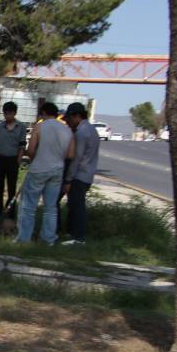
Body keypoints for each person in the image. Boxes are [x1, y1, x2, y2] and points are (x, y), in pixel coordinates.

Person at [16, 102, 75, 245]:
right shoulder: (68, 130)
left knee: (28, 206)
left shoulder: (39, 127)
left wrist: (33, 158)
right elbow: (70, 155)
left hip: (38, 169)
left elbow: (31, 150)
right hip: (57, 170)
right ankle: (48, 238)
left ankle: (24, 238)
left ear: (43, 113)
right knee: (51, 207)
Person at [61, 102, 100, 245]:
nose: (68, 122)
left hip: (79, 175)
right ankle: (72, 234)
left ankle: (78, 238)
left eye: (70, 118)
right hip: (88, 174)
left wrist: (68, 179)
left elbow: (76, 158)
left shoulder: (81, 133)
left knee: (77, 207)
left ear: (77, 116)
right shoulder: (92, 129)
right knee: (75, 205)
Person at [0, 101, 26, 217]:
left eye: (10, 113)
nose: (8, 116)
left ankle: (10, 210)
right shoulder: (0, 126)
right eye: (5, 113)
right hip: (0, 158)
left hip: (13, 159)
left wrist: (18, 160)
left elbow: (22, 146)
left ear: (14, 113)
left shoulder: (21, 127)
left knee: (11, 186)